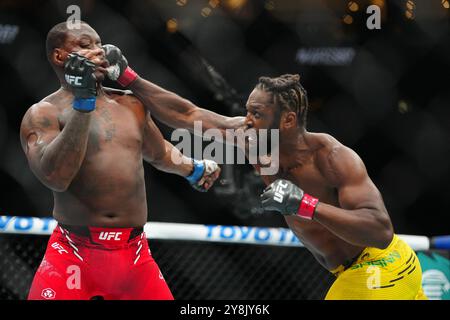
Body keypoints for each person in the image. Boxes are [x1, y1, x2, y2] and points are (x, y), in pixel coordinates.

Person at [101, 44, 427, 300]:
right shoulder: (254, 140)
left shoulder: (332, 158)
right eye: (246, 111)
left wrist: (304, 205)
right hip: (349, 271)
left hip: (379, 265)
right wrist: (129, 77)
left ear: (287, 120)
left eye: (256, 113)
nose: (246, 120)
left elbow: (380, 231)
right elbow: (187, 114)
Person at [19, 22, 220, 300]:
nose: (98, 52)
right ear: (59, 56)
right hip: (73, 251)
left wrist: (193, 168)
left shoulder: (131, 105)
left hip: (134, 253)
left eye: (99, 44)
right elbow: (56, 177)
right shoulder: (43, 114)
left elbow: (159, 153)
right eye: (85, 45)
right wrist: (83, 104)